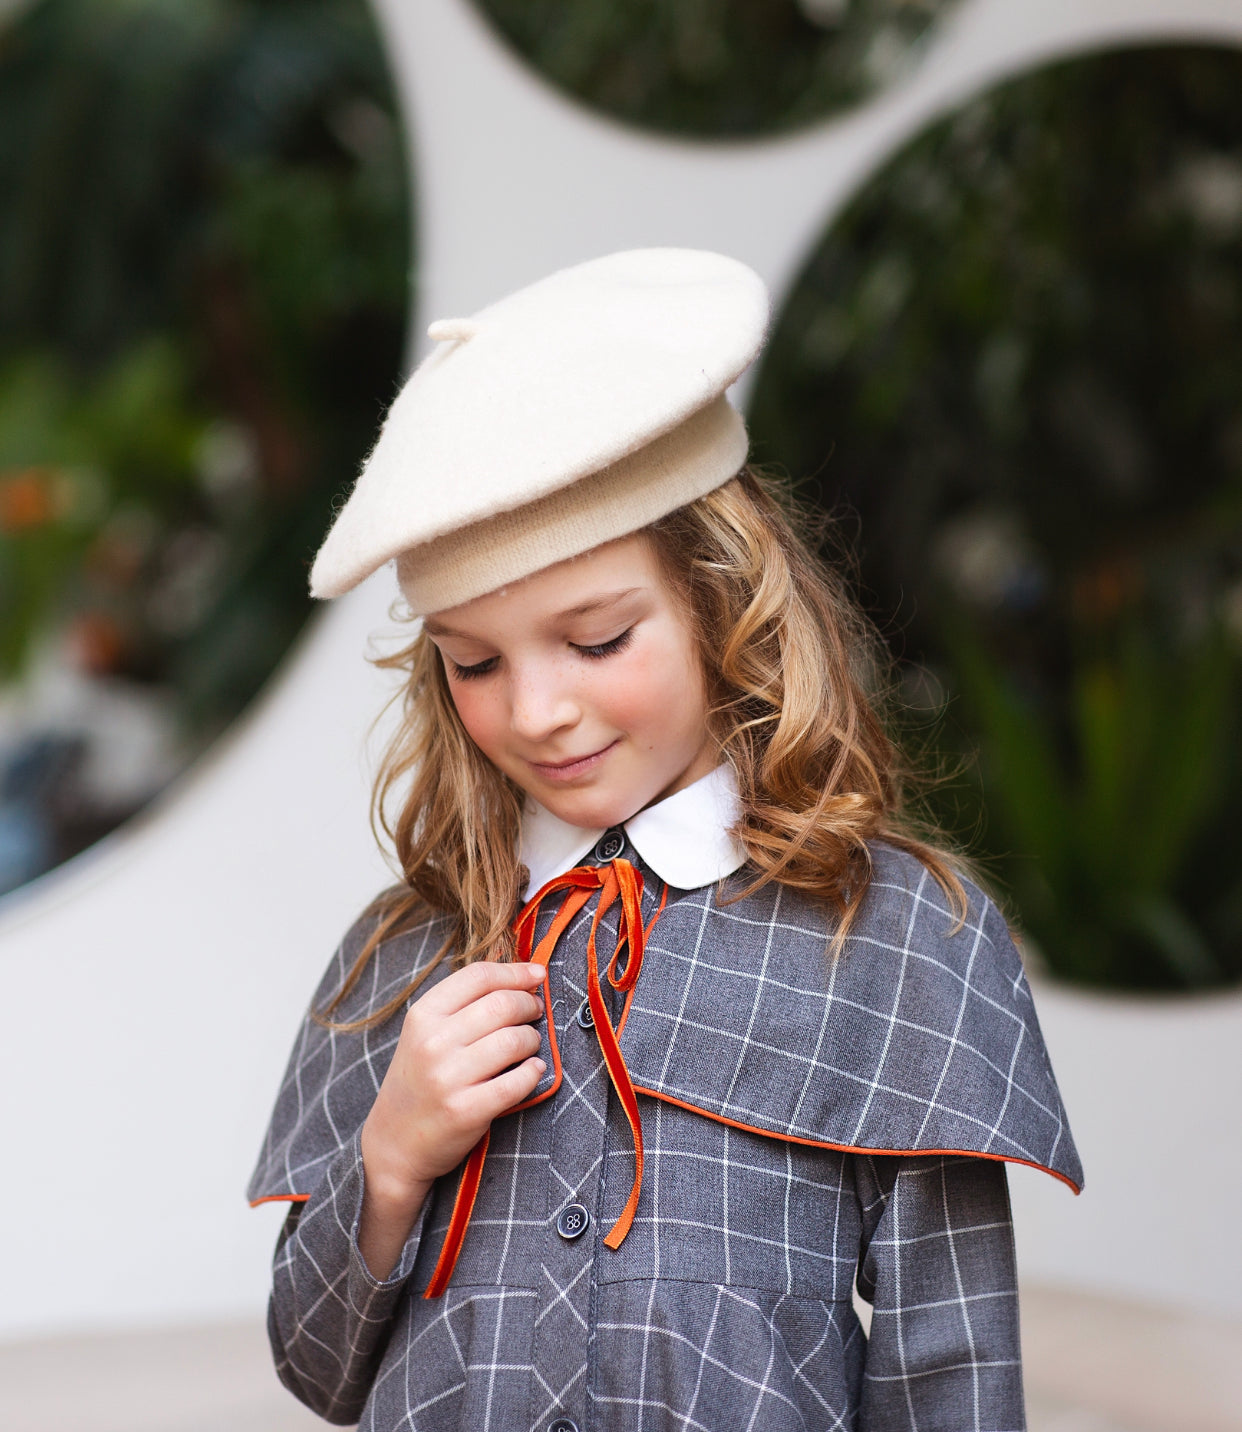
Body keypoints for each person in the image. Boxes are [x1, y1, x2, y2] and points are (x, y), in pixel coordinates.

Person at [249, 249, 1082, 1432]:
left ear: (723, 597)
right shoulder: (400, 960)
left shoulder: (897, 940)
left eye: (596, 640)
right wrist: (389, 1160)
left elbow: (954, 1380)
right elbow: (313, 1368)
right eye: (474, 662)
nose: (536, 710)